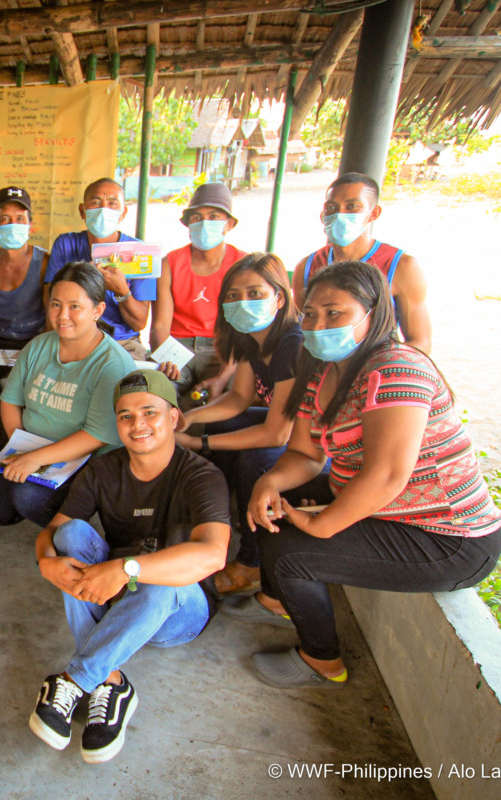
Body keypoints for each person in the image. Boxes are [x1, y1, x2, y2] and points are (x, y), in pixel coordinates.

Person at [221, 261, 501, 689]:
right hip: (383, 507)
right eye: (311, 314)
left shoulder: (396, 369)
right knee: (268, 497)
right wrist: (270, 482)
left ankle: (322, 659)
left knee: (293, 552)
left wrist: (322, 523)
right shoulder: (321, 370)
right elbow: (304, 452)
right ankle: (277, 597)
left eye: (335, 313)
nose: (319, 325)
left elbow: (387, 476)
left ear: (374, 314)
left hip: (446, 536)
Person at [30, 369, 229, 763]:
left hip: (179, 610)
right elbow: (53, 531)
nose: (138, 424)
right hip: (116, 591)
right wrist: (44, 562)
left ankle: (78, 678)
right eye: (125, 415)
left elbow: (212, 554)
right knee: (69, 536)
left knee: (162, 577)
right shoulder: (104, 469)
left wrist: (127, 569)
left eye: (150, 412)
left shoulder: (200, 475)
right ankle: (112, 682)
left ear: (173, 417)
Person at [174, 253, 306, 595]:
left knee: (256, 461)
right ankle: (213, 522)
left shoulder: (292, 343)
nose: (242, 302)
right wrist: (190, 418)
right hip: (291, 431)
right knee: (222, 424)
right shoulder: (252, 338)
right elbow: (237, 399)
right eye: (232, 296)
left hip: (318, 444)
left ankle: (251, 562)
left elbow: (278, 433)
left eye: (254, 293)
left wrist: (199, 444)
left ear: (279, 297)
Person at [0, 261, 134, 528]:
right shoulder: (39, 346)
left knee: (27, 495)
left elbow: (96, 435)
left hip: (85, 459)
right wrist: (21, 445)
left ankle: (73, 517)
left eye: (75, 306)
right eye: (56, 304)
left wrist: (36, 459)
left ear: (98, 310)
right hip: (34, 446)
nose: (62, 315)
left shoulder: (111, 363)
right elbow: (10, 400)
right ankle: (44, 501)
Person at [293, 172, 431, 353]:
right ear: (322, 215)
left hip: (375, 370)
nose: (340, 214)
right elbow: (307, 333)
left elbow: (421, 342)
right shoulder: (307, 267)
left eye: (352, 207)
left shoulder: (401, 267)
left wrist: (374, 367)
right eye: (332, 208)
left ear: (373, 213)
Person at [152, 182, 247, 397]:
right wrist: (165, 359)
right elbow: (159, 326)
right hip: (177, 347)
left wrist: (224, 375)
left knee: (231, 393)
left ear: (229, 224)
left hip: (224, 349)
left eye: (214, 217)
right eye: (197, 218)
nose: (205, 224)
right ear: (188, 225)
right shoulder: (170, 264)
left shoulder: (243, 265)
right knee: (158, 393)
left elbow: (244, 330)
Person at [0, 186, 49, 444]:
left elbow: (52, 319)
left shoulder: (44, 262)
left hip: (37, 340)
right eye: (5, 219)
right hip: (0, 340)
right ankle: (5, 431)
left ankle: (25, 435)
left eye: (19, 219)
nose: (12, 225)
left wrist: (33, 353)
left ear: (30, 225)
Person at [46, 179, 154, 361]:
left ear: (123, 213)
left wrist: (121, 291)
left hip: (123, 343)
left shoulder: (140, 253)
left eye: (112, 203)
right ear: (82, 211)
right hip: (74, 338)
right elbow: (50, 301)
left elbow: (139, 323)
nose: (104, 210)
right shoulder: (65, 244)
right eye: (96, 203)